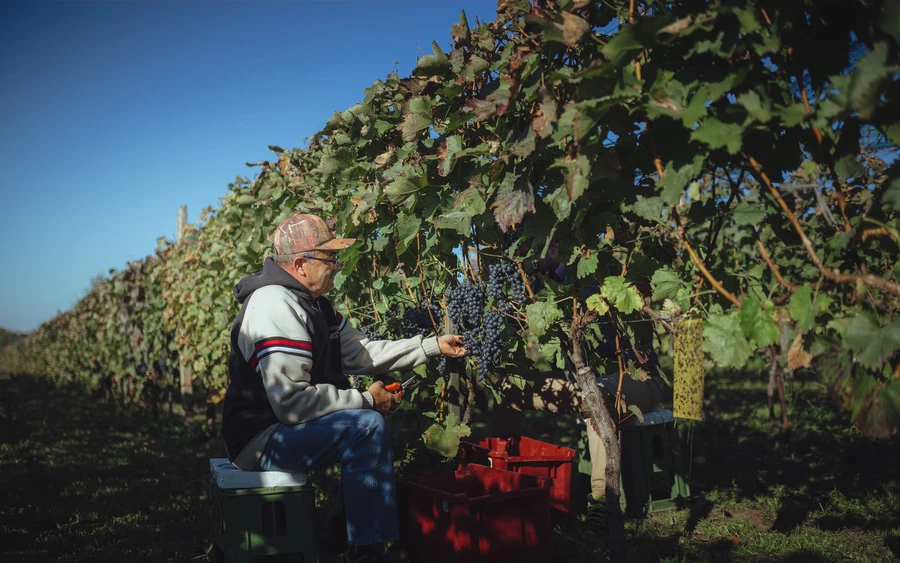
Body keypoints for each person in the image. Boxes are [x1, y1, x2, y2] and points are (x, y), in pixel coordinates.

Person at [221, 213, 465, 563]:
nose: (337, 266)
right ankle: (368, 551)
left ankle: (338, 537)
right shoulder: (276, 305)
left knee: (362, 427)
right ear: (301, 264)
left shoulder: (317, 305)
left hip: (281, 427)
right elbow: (291, 404)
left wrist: (429, 347)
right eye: (330, 258)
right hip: (259, 440)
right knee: (365, 428)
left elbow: (363, 354)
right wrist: (366, 400)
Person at [492, 242, 665, 532]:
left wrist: (550, 272)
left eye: (544, 247)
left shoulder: (591, 278)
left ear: (560, 247)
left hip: (636, 379)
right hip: (585, 383)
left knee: (596, 396)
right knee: (509, 389)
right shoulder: (541, 286)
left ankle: (602, 502)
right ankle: (507, 478)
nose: (533, 256)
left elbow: (582, 316)